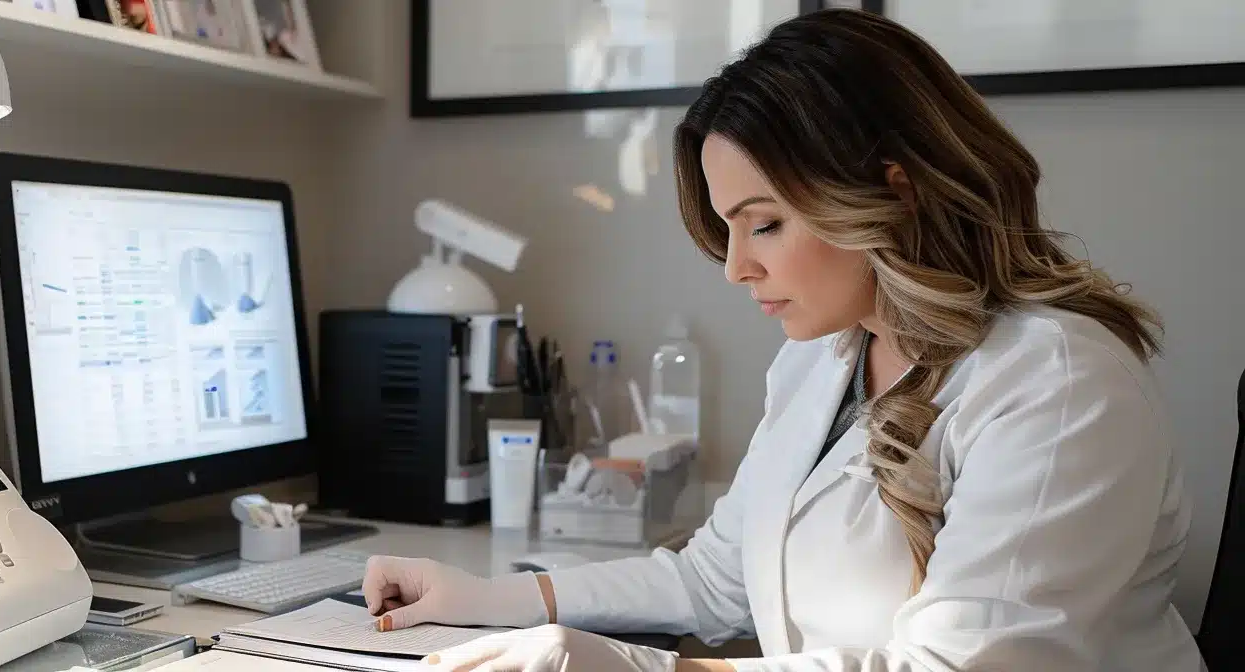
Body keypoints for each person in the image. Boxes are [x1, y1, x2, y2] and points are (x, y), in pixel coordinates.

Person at [360, 8, 1205, 672]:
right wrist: (487, 597)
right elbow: (710, 584)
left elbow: (955, 667)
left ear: (892, 193)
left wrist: (638, 670)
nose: (735, 269)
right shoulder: (821, 360)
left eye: (763, 225)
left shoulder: (1058, 383)